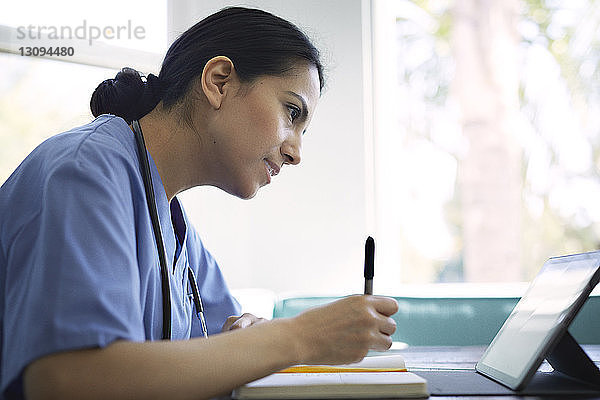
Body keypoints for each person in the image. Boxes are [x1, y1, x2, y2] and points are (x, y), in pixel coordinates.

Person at [0, 7, 399, 400]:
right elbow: (66, 380)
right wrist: (300, 336)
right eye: (291, 112)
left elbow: (222, 341)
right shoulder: (85, 170)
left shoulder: (176, 228)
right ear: (219, 81)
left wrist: (254, 336)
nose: (296, 152)